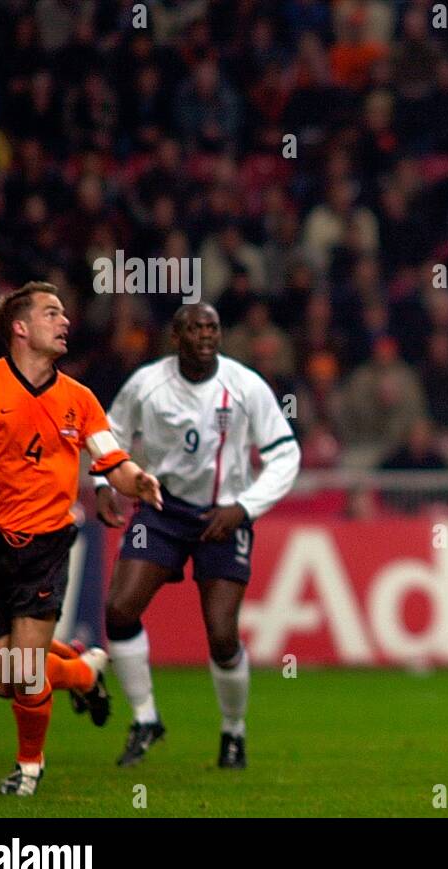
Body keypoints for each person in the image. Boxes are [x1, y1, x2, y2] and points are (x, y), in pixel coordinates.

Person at [0, 281, 163, 796]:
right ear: (21, 328)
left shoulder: (79, 400)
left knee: (23, 669)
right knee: (4, 680)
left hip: (43, 546)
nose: (65, 321)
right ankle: (84, 675)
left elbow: (113, 460)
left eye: (64, 313)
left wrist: (138, 481)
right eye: (51, 313)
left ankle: (28, 769)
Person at [96, 302, 300, 769]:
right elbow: (109, 432)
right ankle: (146, 718)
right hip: (161, 510)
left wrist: (244, 507)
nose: (206, 335)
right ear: (175, 337)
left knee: (222, 634)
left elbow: (286, 454)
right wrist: (103, 483)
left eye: (212, 327)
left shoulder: (246, 385)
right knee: (119, 609)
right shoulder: (147, 384)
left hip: (222, 517)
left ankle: (233, 731)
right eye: (195, 328)